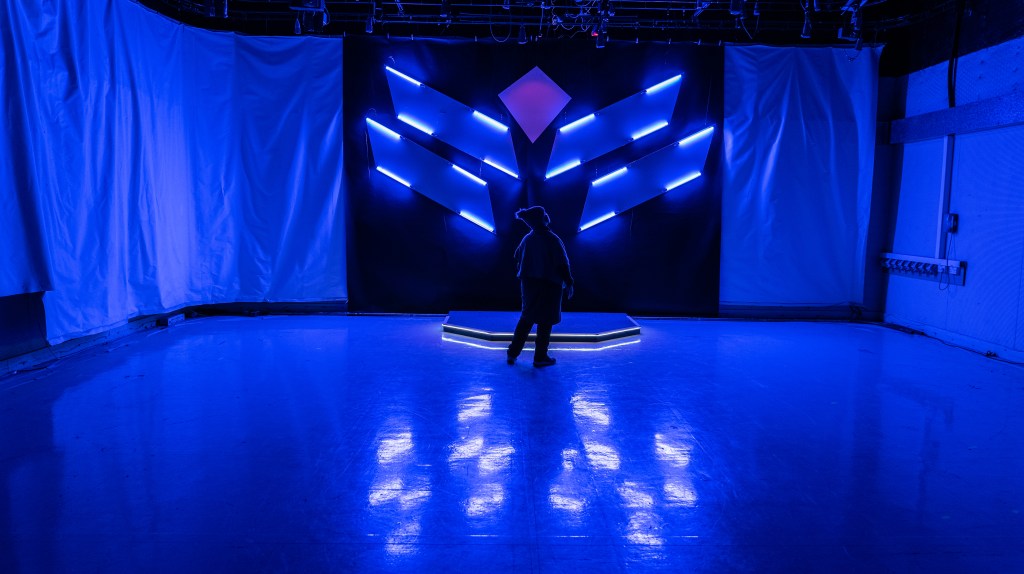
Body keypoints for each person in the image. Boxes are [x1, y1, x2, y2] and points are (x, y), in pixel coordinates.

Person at [507, 206, 574, 367]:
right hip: (549, 285)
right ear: (544, 218)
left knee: (526, 318)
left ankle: (512, 353)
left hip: (528, 284)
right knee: (546, 321)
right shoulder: (552, 239)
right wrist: (569, 282)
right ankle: (540, 357)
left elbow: (517, 256)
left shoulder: (527, 239)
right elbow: (562, 264)